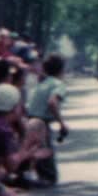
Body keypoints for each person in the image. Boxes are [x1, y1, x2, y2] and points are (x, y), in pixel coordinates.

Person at [26, 54, 69, 185]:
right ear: (61, 70)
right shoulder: (58, 84)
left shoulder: (43, 83)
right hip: (41, 121)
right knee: (44, 150)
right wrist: (62, 123)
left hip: (30, 118)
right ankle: (45, 178)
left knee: (37, 147)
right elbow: (52, 102)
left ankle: (37, 175)